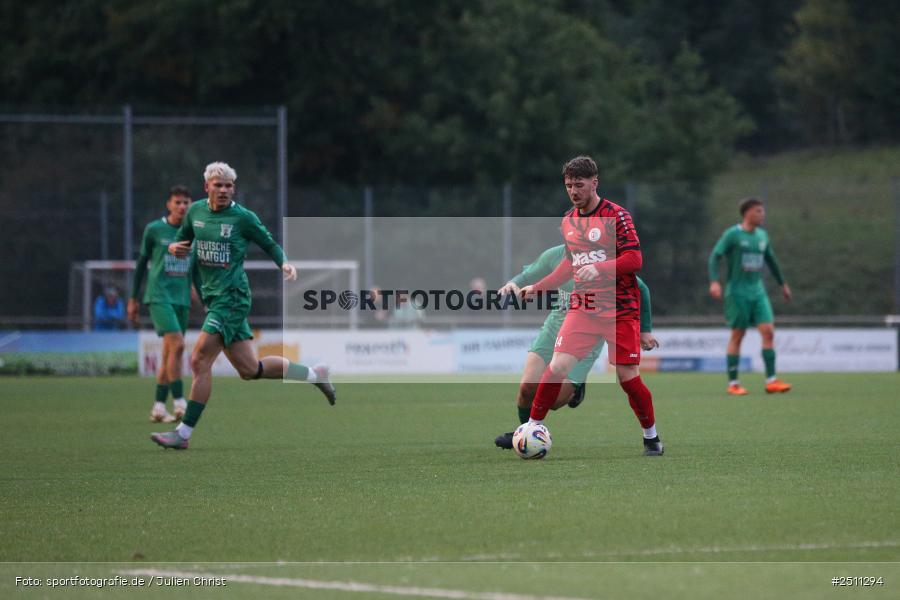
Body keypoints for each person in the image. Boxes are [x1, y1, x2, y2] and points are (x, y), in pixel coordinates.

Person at [150, 162, 335, 450]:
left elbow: (269, 243)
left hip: (232, 298)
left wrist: (284, 262)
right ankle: (314, 374)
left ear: (233, 188)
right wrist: (174, 247)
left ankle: (183, 434)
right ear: (207, 187)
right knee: (250, 369)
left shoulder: (243, 218)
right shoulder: (196, 212)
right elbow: (180, 239)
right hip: (215, 298)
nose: (223, 190)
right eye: (218, 185)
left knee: (199, 359)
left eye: (228, 186)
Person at [519, 156, 663, 456]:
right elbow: (569, 266)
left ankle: (651, 437)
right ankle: (532, 428)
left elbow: (635, 260)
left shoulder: (617, 216)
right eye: (569, 185)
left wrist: (601, 268)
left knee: (627, 378)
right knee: (557, 366)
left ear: (594, 182)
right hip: (583, 305)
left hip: (619, 308)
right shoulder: (569, 220)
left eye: (579, 184)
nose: (573, 191)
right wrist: (537, 286)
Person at [493, 244, 658, 449]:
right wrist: (512, 284)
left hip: (588, 331)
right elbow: (527, 275)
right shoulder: (553, 255)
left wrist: (645, 329)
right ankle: (526, 435)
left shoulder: (602, 259)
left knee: (554, 401)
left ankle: (576, 390)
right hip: (555, 325)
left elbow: (640, 287)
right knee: (527, 387)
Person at [708, 197, 792, 395]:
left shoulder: (762, 236)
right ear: (747, 213)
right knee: (738, 335)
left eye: (763, 211)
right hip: (737, 293)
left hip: (758, 292)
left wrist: (783, 284)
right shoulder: (733, 234)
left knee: (768, 332)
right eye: (759, 211)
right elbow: (715, 256)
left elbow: (771, 261)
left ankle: (771, 380)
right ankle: (733, 384)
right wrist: (714, 281)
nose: (763, 215)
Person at [128, 185, 198, 423]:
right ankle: (179, 401)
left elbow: (194, 268)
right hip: (158, 296)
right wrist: (132, 299)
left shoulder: (193, 233)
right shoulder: (155, 229)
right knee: (178, 345)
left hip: (181, 300)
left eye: (186, 202)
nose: (182, 206)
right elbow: (141, 265)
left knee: (170, 351)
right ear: (168, 204)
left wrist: (198, 290)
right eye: (177, 202)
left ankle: (158, 406)